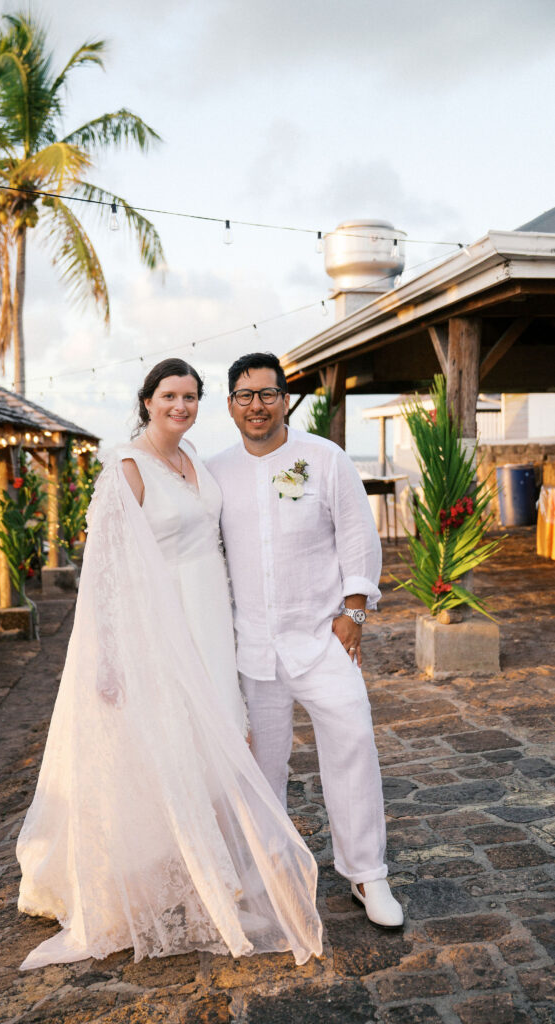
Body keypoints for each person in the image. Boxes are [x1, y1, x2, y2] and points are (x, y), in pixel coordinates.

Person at [16, 358, 323, 970]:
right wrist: (107, 656)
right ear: (148, 401)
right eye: (169, 396)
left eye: (190, 397)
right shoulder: (126, 468)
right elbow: (102, 572)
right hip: (159, 624)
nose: (180, 406)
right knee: (169, 747)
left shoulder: (196, 463)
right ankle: (181, 882)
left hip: (211, 618)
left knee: (214, 744)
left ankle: (211, 871)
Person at [207, 352, 404, 929]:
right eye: (244, 396)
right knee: (261, 766)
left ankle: (368, 875)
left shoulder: (324, 458)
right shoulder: (215, 471)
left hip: (323, 639)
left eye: (267, 394)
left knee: (353, 741)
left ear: (285, 399)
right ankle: (270, 872)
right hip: (250, 649)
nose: (256, 406)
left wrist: (355, 613)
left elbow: (359, 538)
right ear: (230, 405)